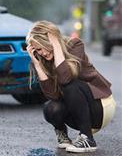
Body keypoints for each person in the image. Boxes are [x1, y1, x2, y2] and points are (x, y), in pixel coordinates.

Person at [26, 21, 116, 153]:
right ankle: (63, 135)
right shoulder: (42, 60)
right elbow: (52, 96)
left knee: (69, 85)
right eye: (37, 50)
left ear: (51, 41)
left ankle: (88, 140)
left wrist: (56, 45)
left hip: (100, 107)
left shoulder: (75, 45)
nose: (42, 53)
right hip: (79, 115)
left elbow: (66, 78)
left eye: (43, 47)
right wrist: (37, 65)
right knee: (50, 108)